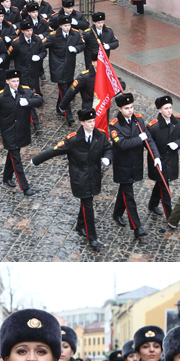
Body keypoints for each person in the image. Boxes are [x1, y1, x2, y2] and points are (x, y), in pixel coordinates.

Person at [32, 106, 112, 252]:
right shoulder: (73, 140)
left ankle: (80, 225)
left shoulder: (100, 135)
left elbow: (108, 148)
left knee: (86, 201)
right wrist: (36, 160)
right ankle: (92, 238)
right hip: (80, 178)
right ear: (82, 122)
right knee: (88, 206)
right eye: (89, 122)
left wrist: (107, 158)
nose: (92, 124)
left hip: (94, 175)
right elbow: (55, 150)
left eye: (93, 121)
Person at [0, 66, 42, 199]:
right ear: (7, 82)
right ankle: (25, 187)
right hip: (9, 132)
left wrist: (28, 102)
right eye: (13, 81)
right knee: (17, 159)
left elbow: (39, 100)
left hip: (21, 130)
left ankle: (6, 177)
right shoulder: (1, 97)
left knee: (13, 153)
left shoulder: (26, 92)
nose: (16, 84)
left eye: (17, 81)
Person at [109, 90, 162, 244]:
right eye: (126, 108)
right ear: (120, 109)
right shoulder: (115, 126)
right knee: (129, 195)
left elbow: (149, 140)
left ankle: (117, 213)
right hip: (123, 166)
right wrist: (139, 138)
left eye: (131, 107)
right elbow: (122, 144)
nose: (130, 110)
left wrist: (156, 156)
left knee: (124, 191)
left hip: (136, 164)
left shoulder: (138, 120)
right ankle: (137, 227)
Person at [146, 94, 180, 222]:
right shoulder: (153, 127)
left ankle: (152, 204)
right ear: (160, 110)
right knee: (165, 189)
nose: (169, 111)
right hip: (158, 161)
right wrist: (156, 157)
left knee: (161, 183)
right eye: (166, 108)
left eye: (170, 107)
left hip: (171, 160)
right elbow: (149, 144)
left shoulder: (178, 122)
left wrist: (177, 144)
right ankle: (171, 218)